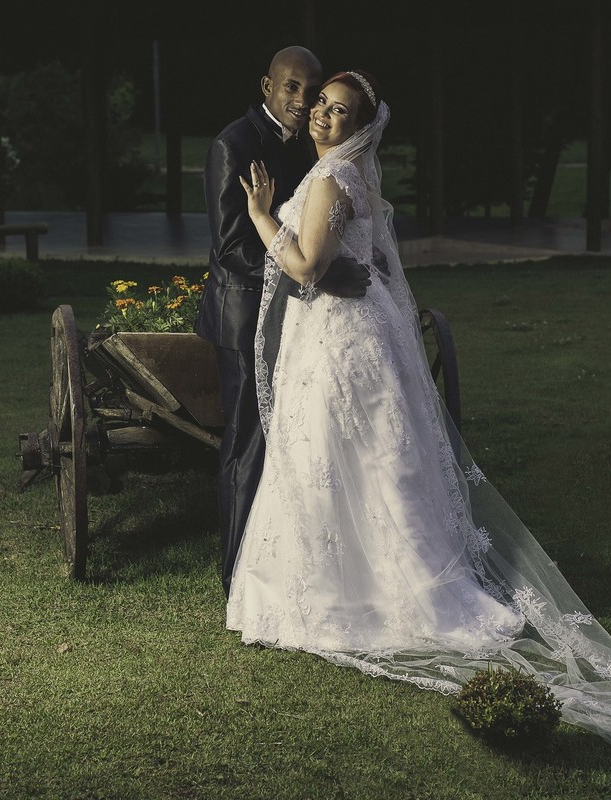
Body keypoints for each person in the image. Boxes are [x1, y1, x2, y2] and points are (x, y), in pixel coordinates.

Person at [225, 70, 611, 785]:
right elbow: (366, 262)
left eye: (339, 111)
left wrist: (262, 216)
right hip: (361, 335)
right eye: (320, 104)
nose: (322, 115)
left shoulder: (328, 181)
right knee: (369, 464)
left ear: (361, 127)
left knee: (335, 458)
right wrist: (342, 270)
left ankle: (347, 593)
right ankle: (394, 576)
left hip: (339, 343)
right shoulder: (357, 181)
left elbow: (307, 266)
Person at [197, 46, 370, 598]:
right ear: (266, 86)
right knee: (248, 440)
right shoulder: (233, 144)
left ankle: (292, 561)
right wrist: (316, 273)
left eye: (312, 91)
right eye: (291, 87)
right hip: (245, 315)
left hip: (300, 320)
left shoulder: (313, 148)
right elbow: (232, 247)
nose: (302, 100)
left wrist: (322, 266)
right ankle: (235, 574)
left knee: (293, 439)